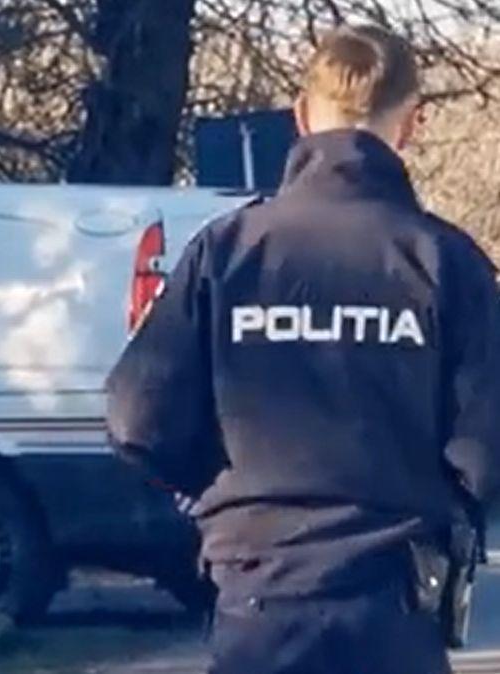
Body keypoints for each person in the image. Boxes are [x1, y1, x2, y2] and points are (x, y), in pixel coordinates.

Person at [107, 24, 500, 674]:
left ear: (299, 116)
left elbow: (136, 416)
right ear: (413, 124)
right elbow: (484, 449)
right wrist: (435, 502)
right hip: (393, 603)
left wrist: (220, 490)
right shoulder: (445, 262)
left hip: (257, 596)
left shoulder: (226, 253)